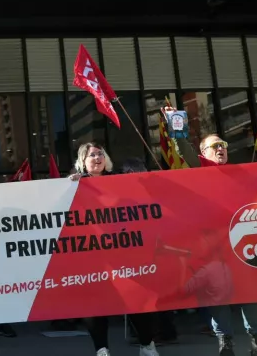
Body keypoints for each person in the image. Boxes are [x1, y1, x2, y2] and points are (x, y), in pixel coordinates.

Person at [195, 134, 257, 356]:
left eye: (223, 145)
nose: (220, 149)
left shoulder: (241, 174)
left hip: (240, 243)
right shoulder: (198, 174)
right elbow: (184, 151)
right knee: (218, 294)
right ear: (204, 153)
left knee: (249, 291)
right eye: (214, 146)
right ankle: (225, 344)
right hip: (213, 247)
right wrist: (176, 128)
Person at [68, 143, 159, 356]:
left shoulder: (120, 180)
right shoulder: (75, 185)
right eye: (92, 155)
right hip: (92, 256)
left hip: (124, 253)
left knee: (136, 300)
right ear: (83, 160)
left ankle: (147, 345)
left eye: (101, 154)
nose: (98, 158)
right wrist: (69, 186)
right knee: (96, 304)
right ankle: (102, 349)